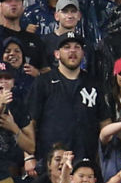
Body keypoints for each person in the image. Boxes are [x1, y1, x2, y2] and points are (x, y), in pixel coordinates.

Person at [26, 32, 106, 168]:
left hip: (85, 162)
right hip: (51, 161)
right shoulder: (43, 82)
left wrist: (103, 155)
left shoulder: (94, 83)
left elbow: (104, 121)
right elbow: (30, 121)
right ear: (57, 54)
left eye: (77, 47)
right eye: (67, 47)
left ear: (83, 53)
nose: (72, 51)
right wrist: (28, 156)